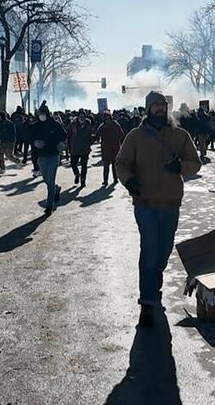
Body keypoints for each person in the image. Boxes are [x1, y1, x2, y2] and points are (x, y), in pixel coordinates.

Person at [115, 91, 201, 326]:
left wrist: (180, 167)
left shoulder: (180, 135)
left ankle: (154, 283)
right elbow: (121, 163)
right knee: (150, 249)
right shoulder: (135, 136)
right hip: (145, 204)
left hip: (171, 202)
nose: (160, 109)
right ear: (148, 109)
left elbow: (195, 163)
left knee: (163, 250)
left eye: (163, 106)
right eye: (155, 106)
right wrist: (129, 181)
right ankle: (147, 301)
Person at [29, 104, 66, 215]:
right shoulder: (35, 126)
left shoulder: (55, 124)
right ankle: (56, 189)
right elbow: (30, 138)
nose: (41, 116)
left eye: (43, 113)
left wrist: (60, 143)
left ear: (47, 113)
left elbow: (64, 135)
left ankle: (50, 205)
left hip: (53, 155)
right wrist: (34, 143)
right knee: (46, 179)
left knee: (51, 179)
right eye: (40, 114)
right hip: (42, 156)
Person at [94, 112, 125, 186]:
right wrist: (92, 138)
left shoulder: (115, 125)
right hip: (106, 148)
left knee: (114, 165)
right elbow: (96, 134)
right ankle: (105, 181)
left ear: (111, 118)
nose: (107, 120)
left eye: (108, 118)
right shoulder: (102, 126)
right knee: (106, 165)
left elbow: (121, 134)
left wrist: (116, 138)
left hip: (115, 147)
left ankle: (115, 178)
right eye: (106, 119)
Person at [68, 109, 94, 187]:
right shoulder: (73, 125)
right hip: (74, 148)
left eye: (83, 116)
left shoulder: (88, 124)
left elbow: (91, 135)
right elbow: (68, 134)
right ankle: (76, 174)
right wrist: (68, 146)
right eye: (80, 116)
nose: (82, 117)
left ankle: (83, 181)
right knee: (73, 164)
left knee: (84, 166)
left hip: (84, 149)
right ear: (78, 116)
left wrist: (91, 141)